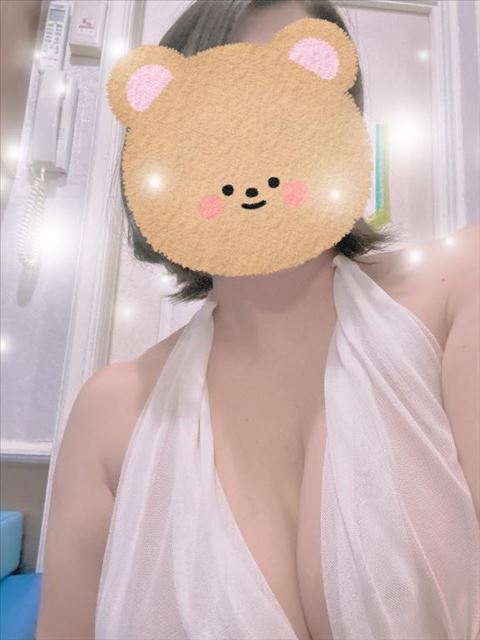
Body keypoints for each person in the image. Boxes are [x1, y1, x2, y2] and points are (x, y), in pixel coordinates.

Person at [36, 2, 480, 639]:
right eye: (215, 120)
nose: (248, 151)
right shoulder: (110, 416)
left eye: (284, 107)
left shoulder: (459, 288)